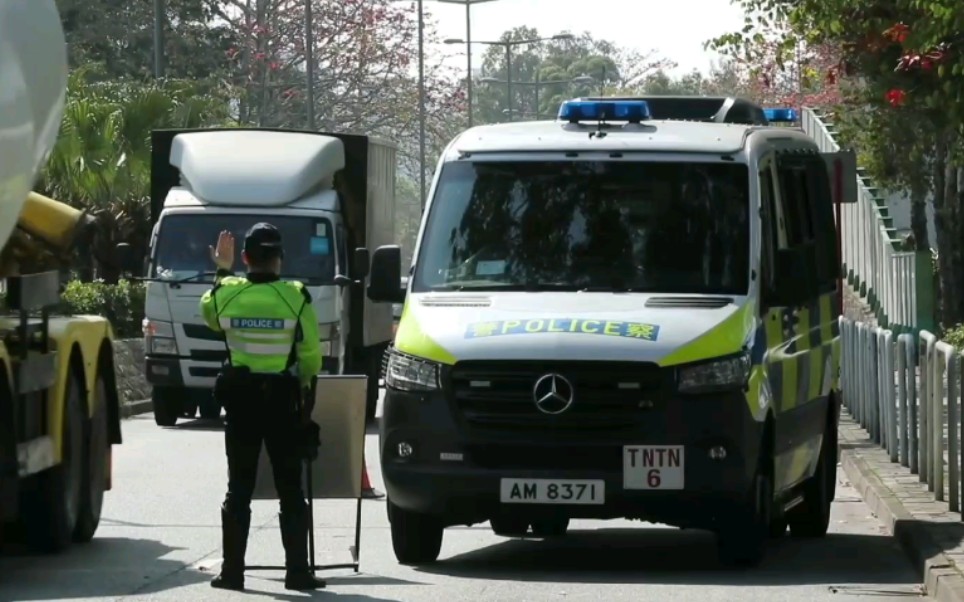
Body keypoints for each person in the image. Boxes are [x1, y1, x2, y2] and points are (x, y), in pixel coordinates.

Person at [199, 223, 326, 592]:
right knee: (291, 489)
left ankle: (233, 574)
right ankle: (298, 573)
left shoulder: (227, 294)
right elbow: (311, 357)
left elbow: (209, 314)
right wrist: (303, 393)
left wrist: (222, 270)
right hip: (283, 404)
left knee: (238, 489)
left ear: (245, 258)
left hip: (241, 406)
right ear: (279, 259)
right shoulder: (295, 296)